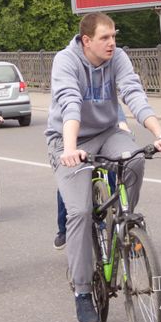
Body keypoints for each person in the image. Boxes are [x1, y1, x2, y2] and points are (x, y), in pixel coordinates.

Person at [46, 11, 161, 322]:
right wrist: (69, 149)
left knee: (133, 158)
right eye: (105, 37)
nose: (112, 43)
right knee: (78, 212)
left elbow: (133, 94)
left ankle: (123, 222)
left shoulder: (117, 57)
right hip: (68, 140)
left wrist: (159, 134)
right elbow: (70, 103)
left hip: (107, 132)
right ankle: (82, 291)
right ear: (86, 40)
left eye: (114, 36)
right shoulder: (66, 61)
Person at [54, 106, 128, 250]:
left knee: (116, 168)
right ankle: (64, 230)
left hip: (102, 136)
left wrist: (122, 124)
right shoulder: (69, 90)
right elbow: (66, 112)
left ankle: (123, 225)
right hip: (76, 139)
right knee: (68, 182)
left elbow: (112, 105)